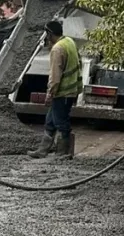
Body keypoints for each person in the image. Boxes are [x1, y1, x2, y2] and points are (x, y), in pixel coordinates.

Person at [27, 20, 82, 159]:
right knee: (50, 121)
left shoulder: (57, 49)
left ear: (50, 34)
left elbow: (55, 76)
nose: (46, 38)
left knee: (61, 122)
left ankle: (63, 152)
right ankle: (43, 150)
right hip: (71, 90)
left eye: (46, 35)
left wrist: (50, 94)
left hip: (62, 92)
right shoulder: (69, 41)